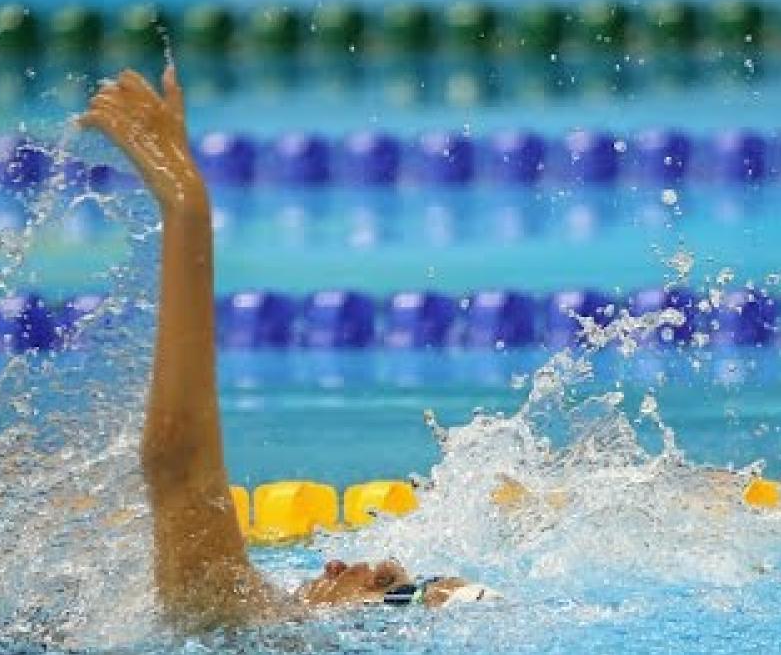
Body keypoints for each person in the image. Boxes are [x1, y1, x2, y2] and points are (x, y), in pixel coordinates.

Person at [76, 66, 499, 633]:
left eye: (389, 587)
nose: (346, 563)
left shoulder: (247, 625)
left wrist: (185, 204)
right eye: (391, 573)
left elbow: (176, 456)